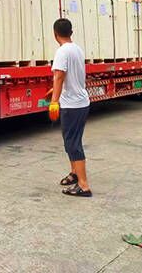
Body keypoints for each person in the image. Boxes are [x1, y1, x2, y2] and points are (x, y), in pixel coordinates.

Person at [49, 18, 92, 197]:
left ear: (55, 34)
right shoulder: (77, 49)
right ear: (71, 32)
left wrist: (54, 102)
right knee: (71, 141)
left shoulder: (62, 51)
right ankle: (75, 173)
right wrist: (56, 91)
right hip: (81, 103)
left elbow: (59, 76)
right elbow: (70, 76)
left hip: (72, 106)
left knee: (73, 144)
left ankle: (83, 185)